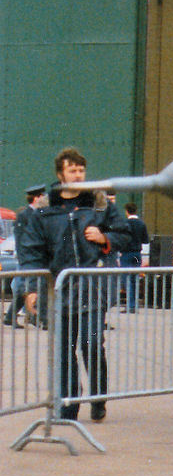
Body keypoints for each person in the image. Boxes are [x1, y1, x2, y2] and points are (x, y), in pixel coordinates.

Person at [16, 148, 133, 422]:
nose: (78, 175)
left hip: (93, 288)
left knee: (92, 344)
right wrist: (31, 289)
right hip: (59, 290)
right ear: (61, 174)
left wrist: (105, 237)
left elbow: (125, 234)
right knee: (64, 350)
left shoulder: (100, 203)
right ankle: (69, 404)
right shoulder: (44, 209)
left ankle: (97, 397)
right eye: (72, 170)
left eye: (81, 170)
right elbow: (32, 252)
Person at [7, 186, 46, 328]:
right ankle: (38, 317)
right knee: (30, 288)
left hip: (37, 258)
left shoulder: (38, 213)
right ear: (36, 197)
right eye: (42, 195)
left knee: (28, 288)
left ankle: (12, 317)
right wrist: (24, 258)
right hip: (28, 259)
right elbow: (20, 238)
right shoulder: (24, 215)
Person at [119, 202, 149, 313]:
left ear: (127, 211)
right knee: (135, 279)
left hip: (126, 254)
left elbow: (120, 239)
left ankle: (130, 305)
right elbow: (145, 240)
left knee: (126, 279)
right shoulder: (141, 224)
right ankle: (134, 304)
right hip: (137, 254)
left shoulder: (124, 223)